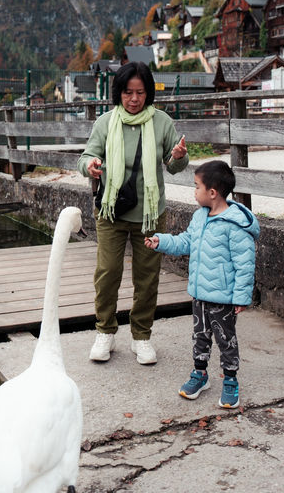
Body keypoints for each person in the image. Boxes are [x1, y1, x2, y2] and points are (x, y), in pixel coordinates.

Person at [78, 62, 188, 365]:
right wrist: (90, 166)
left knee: (147, 276)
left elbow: (175, 166)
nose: (134, 99)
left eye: (140, 92)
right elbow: (86, 156)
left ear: (148, 92)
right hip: (111, 211)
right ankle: (105, 332)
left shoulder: (162, 122)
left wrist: (179, 156)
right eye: (128, 92)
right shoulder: (105, 122)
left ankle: (141, 336)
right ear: (119, 93)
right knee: (108, 271)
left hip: (150, 215)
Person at [144, 160, 259, 408]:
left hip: (223, 298)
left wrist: (241, 297)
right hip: (199, 295)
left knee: (226, 339)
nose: (194, 192)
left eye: (196, 186)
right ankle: (200, 373)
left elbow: (245, 265)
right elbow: (186, 241)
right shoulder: (200, 217)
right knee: (200, 337)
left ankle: (230, 379)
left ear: (212, 193)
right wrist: (161, 242)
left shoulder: (235, 225)